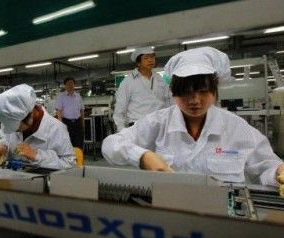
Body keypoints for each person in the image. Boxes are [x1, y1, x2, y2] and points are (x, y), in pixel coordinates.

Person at [102, 46, 284, 187]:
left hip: (223, 219)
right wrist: (143, 156)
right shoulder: (158, 122)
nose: (194, 101)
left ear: (215, 90)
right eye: (185, 93)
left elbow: (267, 166)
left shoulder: (236, 127)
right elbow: (111, 144)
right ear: (174, 92)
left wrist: (277, 172)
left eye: (203, 91)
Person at [0, 84, 76, 170]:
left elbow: (69, 163)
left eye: (17, 127)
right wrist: (2, 146)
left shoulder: (56, 129)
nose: (15, 131)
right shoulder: (10, 118)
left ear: (31, 114)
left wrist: (36, 155)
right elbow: (5, 139)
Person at [113, 47, 173, 132]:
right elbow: (120, 109)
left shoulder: (160, 79)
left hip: (160, 126)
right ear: (138, 63)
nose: (150, 60)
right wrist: (122, 130)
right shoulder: (128, 82)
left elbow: (169, 101)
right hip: (138, 127)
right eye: (146, 58)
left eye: (152, 57)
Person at [55, 77, 85, 149]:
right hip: (67, 123)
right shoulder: (61, 97)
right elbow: (58, 111)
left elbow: (82, 111)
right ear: (65, 85)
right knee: (68, 143)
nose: (70, 85)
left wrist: (83, 124)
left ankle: (79, 159)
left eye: (72, 83)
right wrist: (60, 125)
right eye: (68, 84)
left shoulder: (78, 96)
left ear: (74, 85)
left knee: (79, 143)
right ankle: (70, 159)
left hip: (78, 123)